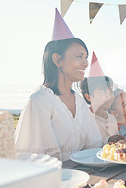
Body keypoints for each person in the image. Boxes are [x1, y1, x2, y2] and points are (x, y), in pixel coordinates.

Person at [15, 9, 102, 161]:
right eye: (79, 56)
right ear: (57, 60)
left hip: (86, 176)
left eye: (86, 57)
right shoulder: (39, 101)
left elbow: (93, 146)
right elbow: (36, 158)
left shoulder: (79, 102)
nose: (85, 63)